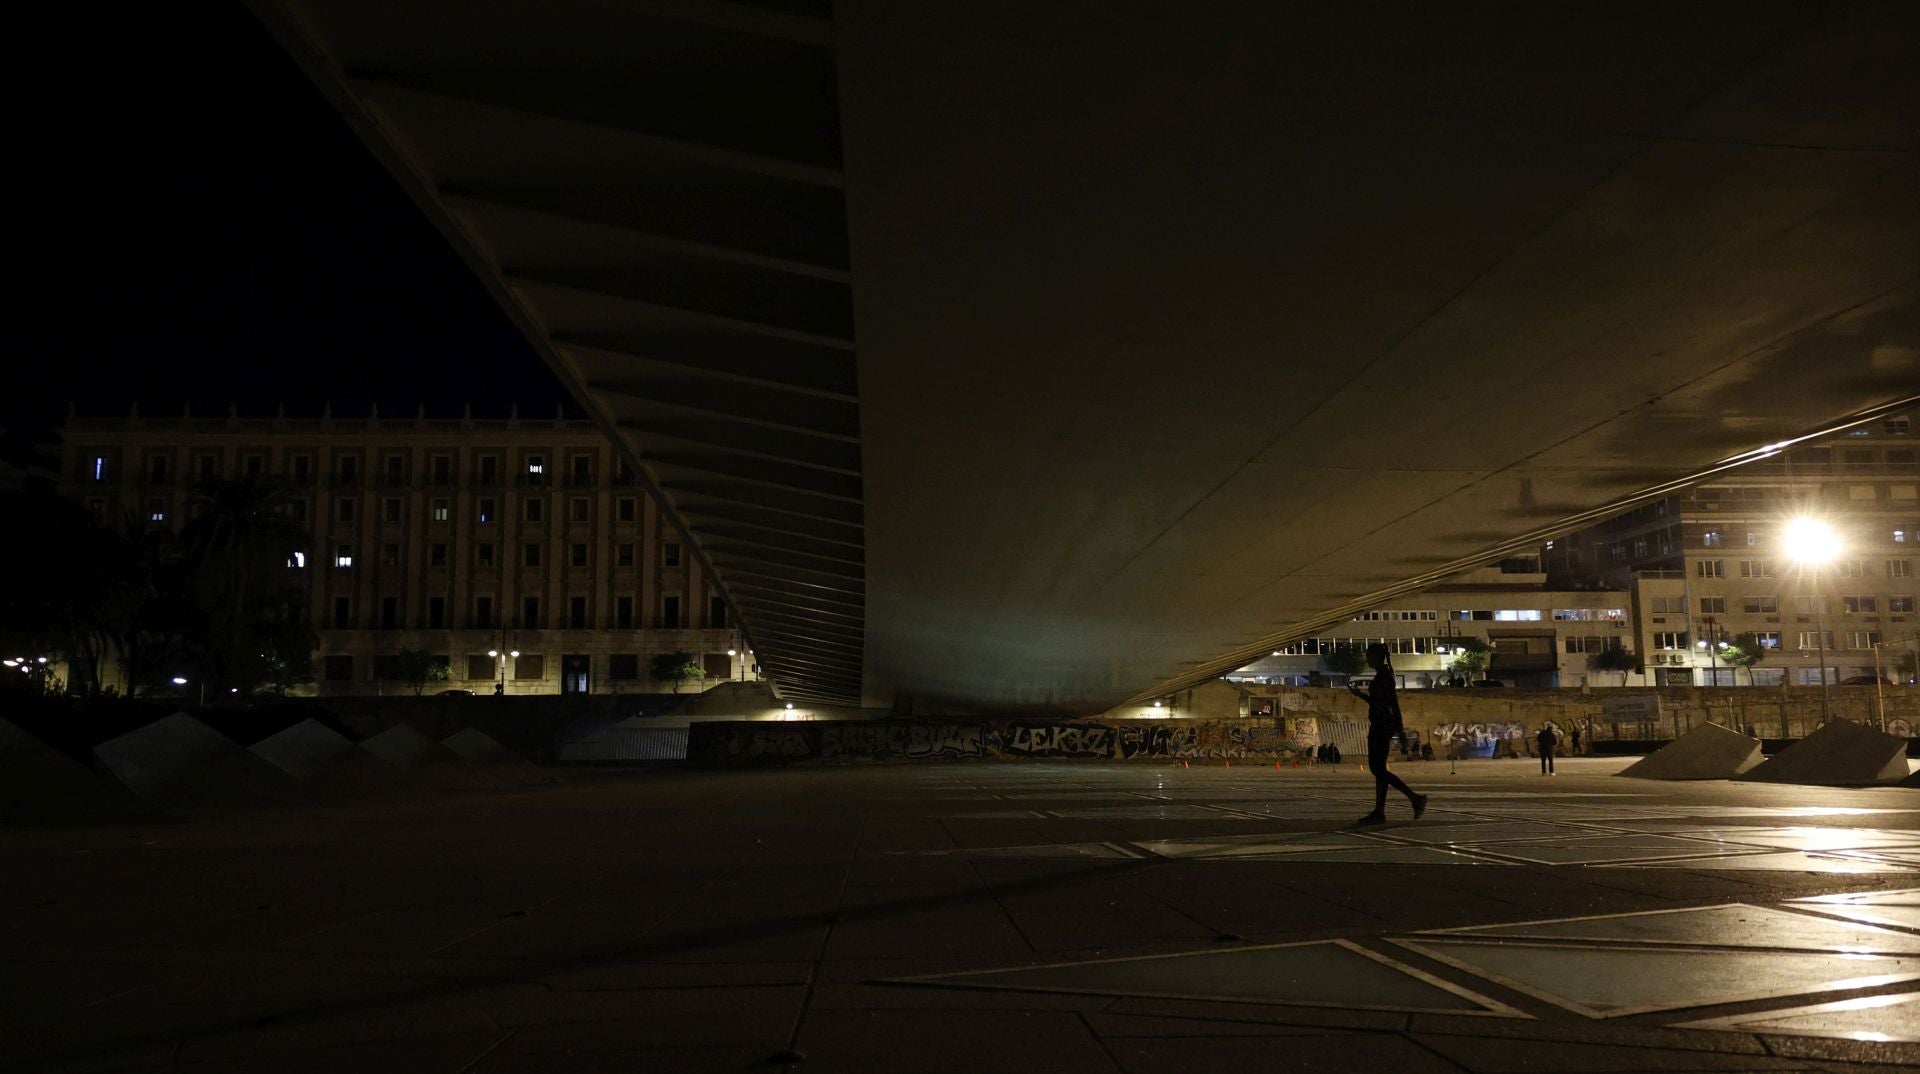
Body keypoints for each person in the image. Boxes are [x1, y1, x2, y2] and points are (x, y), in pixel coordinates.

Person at [1347, 643, 1428, 825]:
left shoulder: (1384, 677)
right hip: (1380, 724)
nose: (1367, 659)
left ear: (1377, 657)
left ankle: (1414, 798)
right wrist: (1360, 696)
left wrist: (1400, 730)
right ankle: (1380, 810)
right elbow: (1378, 702)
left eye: (1369, 655)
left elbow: (1393, 704)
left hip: (1382, 726)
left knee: (1377, 769)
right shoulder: (1382, 675)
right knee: (1379, 769)